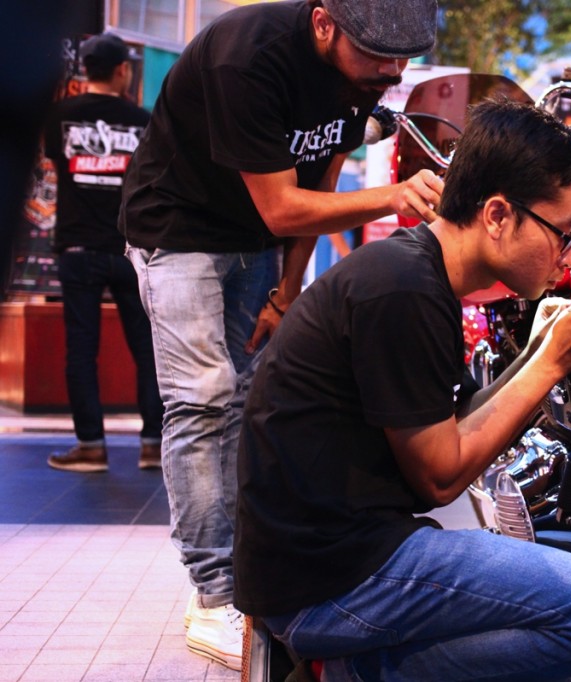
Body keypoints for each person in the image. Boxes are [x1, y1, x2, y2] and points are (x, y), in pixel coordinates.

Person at [234, 99, 571, 681]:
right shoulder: (402, 290)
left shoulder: (413, 274)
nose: (568, 255)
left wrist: (533, 354)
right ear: (498, 215)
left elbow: (448, 430)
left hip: (332, 559)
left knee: (552, 650)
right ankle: (348, 673)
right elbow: (441, 477)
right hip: (329, 580)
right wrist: (549, 364)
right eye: (563, 233)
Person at [117, 0, 443, 670]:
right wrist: (392, 197)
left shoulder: (359, 79)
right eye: (379, 54)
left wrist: (286, 292)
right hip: (175, 231)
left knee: (240, 400)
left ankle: (242, 574)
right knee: (202, 399)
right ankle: (213, 594)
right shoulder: (250, 56)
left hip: (252, 243)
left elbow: (318, 175)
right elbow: (283, 203)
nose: (392, 70)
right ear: (324, 24)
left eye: (403, 56)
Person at [43, 33, 163, 473]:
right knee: (146, 347)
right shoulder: (143, 120)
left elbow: (56, 159)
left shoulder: (59, 116)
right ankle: (153, 444)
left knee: (81, 348)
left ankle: (91, 446)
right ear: (121, 72)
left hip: (77, 247)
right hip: (131, 247)